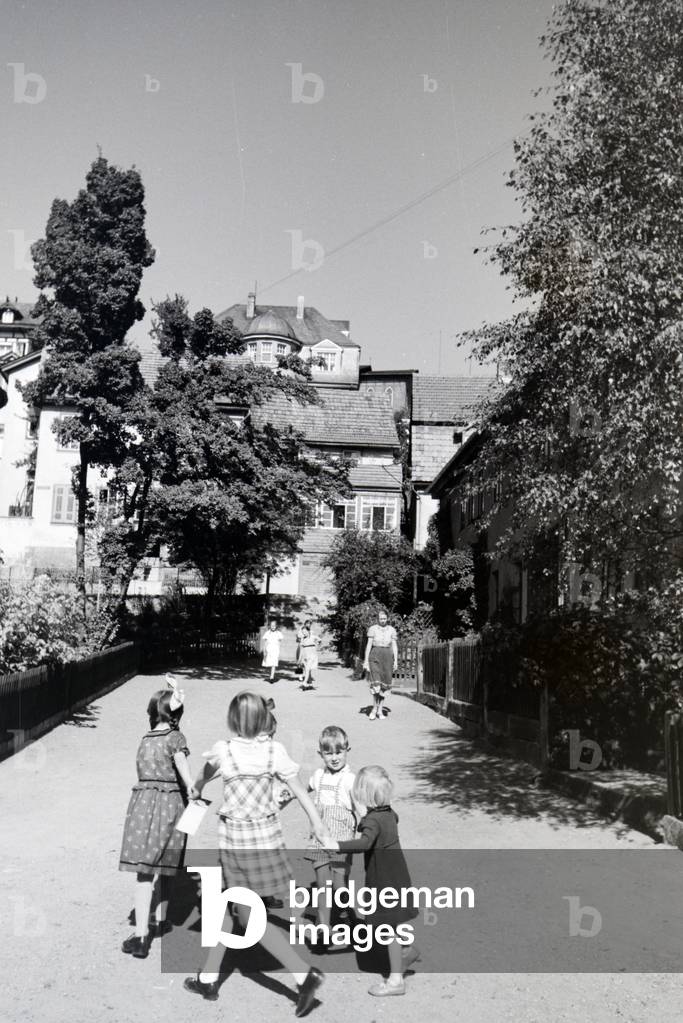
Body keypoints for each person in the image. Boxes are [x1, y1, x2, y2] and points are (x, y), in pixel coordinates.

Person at [184, 691, 328, 1017]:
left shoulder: (225, 751)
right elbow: (298, 788)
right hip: (264, 843)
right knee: (228, 906)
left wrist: (197, 788)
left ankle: (304, 976)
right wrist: (317, 822)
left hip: (237, 845)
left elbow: (204, 775)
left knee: (248, 917)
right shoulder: (274, 752)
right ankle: (208, 977)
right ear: (263, 720)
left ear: (233, 720)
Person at [324, 765, 420, 996]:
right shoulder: (389, 814)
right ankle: (406, 952)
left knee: (388, 930)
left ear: (363, 796)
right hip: (398, 877)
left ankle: (396, 981)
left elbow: (365, 843)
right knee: (394, 924)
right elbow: (374, 831)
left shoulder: (372, 821)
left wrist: (337, 845)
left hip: (383, 880)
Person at [119, 675, 192, 958]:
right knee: (168, 864)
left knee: (144, 871)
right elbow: (181, 764)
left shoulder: (146, 738)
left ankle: (140, 936)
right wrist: (193, 788)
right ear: (175, 713)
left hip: (142, 806)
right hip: (170, 804)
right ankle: (160, 921)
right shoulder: (175, 738)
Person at [304, 726, 362, 945]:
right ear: (321, 754)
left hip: (342, 840)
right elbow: (302, 791)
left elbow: (360, 807)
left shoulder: (350, 779)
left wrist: (368, 825)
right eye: (329, 753)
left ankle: (345, 915)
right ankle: (323, 926)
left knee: (339, 884)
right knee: (321, 884)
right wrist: (286, 794)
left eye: (339, 751)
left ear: (347, 750)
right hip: (319, 837)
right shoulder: (318, 776)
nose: (334, 757)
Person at [363, 610, 398, 720]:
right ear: (377, 619)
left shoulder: (392, 630)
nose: (382, 620)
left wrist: (396, 660)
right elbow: (369, 645)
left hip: (387, 657)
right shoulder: (372, 629)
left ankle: (380, 710)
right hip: (375, 656)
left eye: (384, 618)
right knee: (376, 684)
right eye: (380, 618)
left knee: (384, 685)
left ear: (387, 618)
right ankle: (374, 708)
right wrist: (366, 660)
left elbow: (394, 646)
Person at [262, 618, 284, 683]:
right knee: (268, 663)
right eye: (272, 626)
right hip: (269, 649)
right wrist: (264, 650)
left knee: (274, 663)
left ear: (276, 626)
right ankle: (270, 675)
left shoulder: (279, 633)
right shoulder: (267, 633)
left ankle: (272, 677)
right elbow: (265, 642)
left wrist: (279, 650)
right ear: (270, 626)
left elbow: (279, 643)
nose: (273, 627)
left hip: (275, 649)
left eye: (274, 626)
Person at [299, 621, 320, 689]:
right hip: (305, 656)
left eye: (305, 632)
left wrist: (318, 644)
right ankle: (310, 683)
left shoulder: (313, 637)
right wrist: (300, 658)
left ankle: (304, 682)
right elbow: (301, 649)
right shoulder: (303, 639)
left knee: (307, 669)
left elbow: (319, 640)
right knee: (307, 670)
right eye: (303, 632)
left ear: (308, 631)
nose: (304, 633)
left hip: (312, 656)